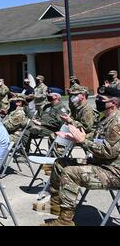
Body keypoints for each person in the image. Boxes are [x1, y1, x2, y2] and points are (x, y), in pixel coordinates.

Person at [36, 86, 120, 226]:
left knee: (70, 172)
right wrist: (73, 137)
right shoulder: (106, 119)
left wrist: (82, 141)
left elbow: (108, 152)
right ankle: (56, 208)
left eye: (101, 99)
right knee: (59, 163)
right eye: (98, 97)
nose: (97, 100)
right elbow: (93, 136)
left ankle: (65, 221)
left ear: (113, 103)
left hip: (113, 172)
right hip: (100, 165)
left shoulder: (117, 123)